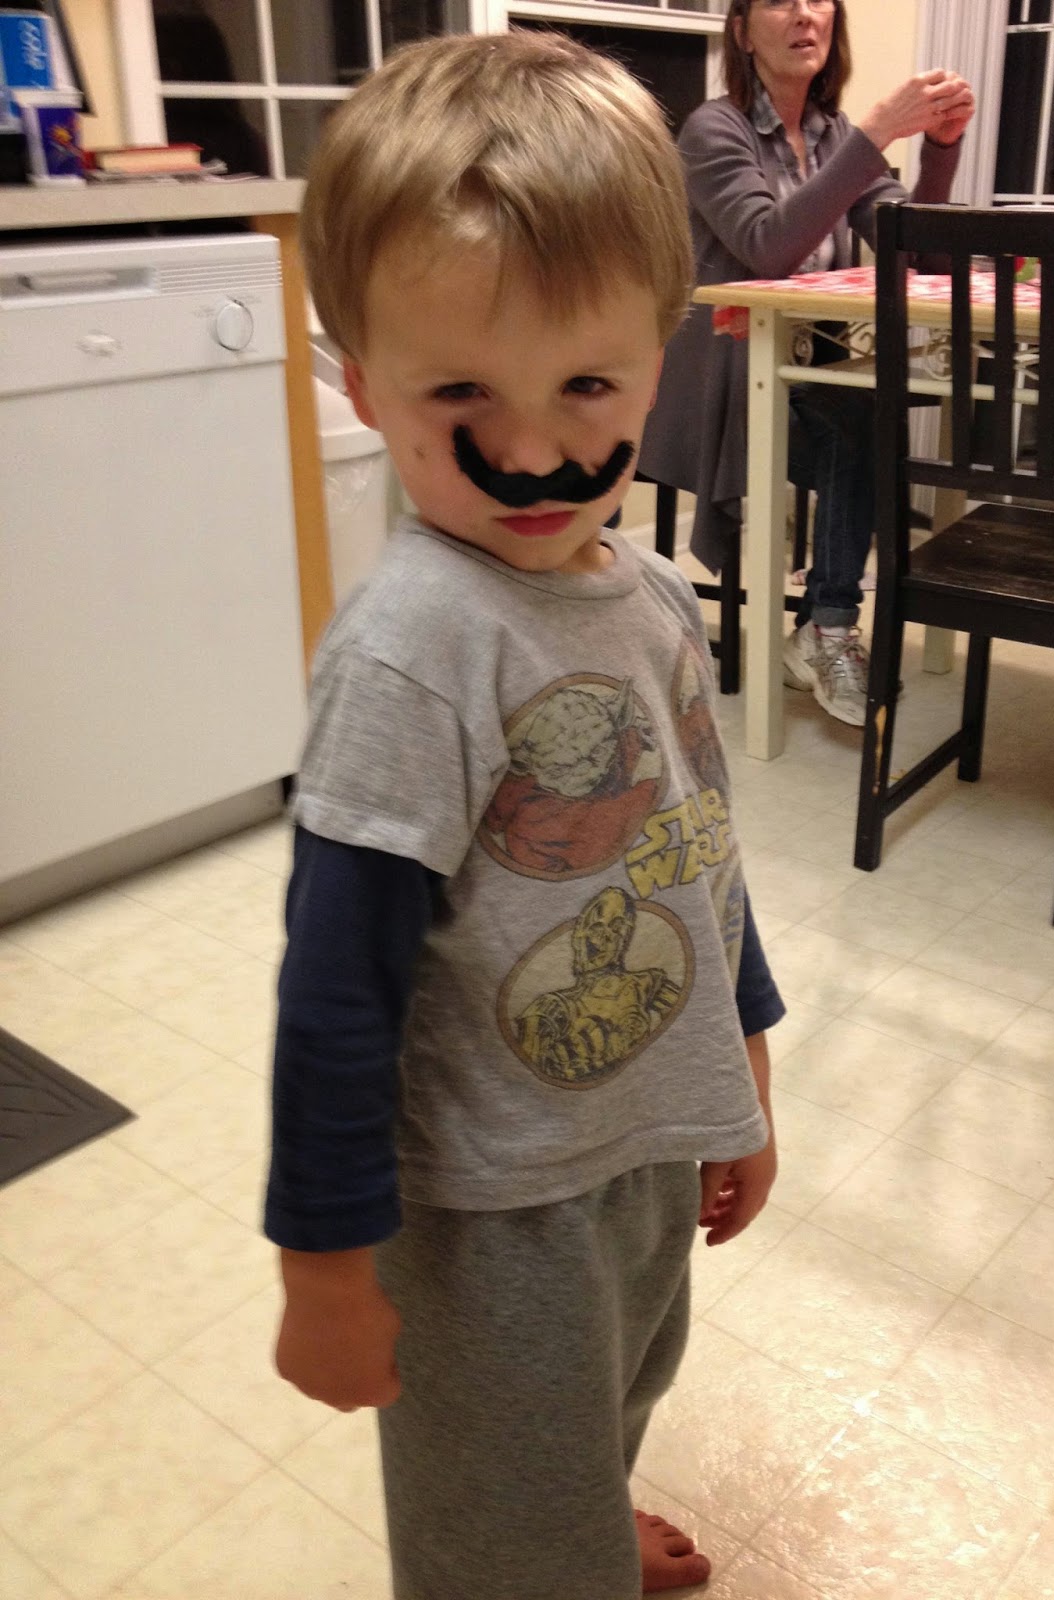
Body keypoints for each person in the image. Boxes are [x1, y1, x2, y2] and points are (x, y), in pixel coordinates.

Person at [265, 31, 786, 1600]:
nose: (541, 450)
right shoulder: (415, 657)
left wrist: (746, 1069)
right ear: (364, 385)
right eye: (462, 394)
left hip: (639, 1142)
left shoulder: (652, 595)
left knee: (606, 1396)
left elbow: (697, 849)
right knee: (496, 1502)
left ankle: (579, 1518)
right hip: (491, 1200)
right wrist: (324, 1273)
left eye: (586, 384)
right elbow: (335, 996)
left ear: (659, 361)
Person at [639, 0, 974, 726]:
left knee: (867, 415)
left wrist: (941, 149)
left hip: (810, 370)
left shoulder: (831, 136)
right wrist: (876, 134)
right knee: (858, 427)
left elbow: (918, 253)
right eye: (779, 2)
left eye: (818, 0)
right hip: (723, 373)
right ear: (741, 30)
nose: (803, 16)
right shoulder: (713, 129)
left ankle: (824, 624)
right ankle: (828, 627)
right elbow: (768, 246)